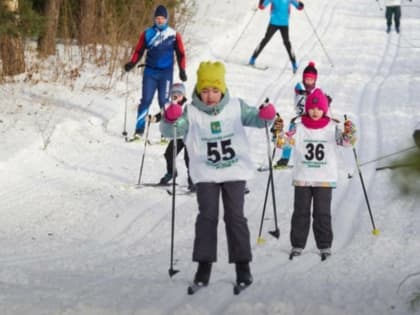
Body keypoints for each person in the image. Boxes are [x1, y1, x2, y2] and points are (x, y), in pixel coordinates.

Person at [160, 61, 276, 287]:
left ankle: (243, 266)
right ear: (198, 91)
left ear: (222, 89)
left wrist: (266, 115)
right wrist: (170, 118)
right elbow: (170, 131)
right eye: (205, 90)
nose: (210, 96)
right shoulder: (191, 112)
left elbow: (258, 119)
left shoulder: (235, 106)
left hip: (234, 171)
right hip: (206, 174)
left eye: (215, 90)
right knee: (207, 217)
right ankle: (204, 267)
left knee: (235, 217)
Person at [285, 88, 356, 261]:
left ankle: (324, 245)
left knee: (322, 213)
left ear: (324, 109)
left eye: (319, 108)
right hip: (303, 177)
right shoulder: (299, 125)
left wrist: (350, 131)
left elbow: (347, 143)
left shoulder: (332, 127)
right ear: (307, 108)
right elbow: (285, 141)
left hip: (324, 179)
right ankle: (297, 244)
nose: (315, 111)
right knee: (300, 212)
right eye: (312, 108)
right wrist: (279, 134)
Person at [124, 4, 187, 138]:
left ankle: (166, 132)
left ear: (167, 19)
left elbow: (181, 53)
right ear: (154, 19)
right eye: (157, 18)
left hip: (166, 74)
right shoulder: (147, 34)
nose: (160, 21)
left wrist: (182, 70)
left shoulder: (174, 34)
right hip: (150, 73)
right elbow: (139, 51)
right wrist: (132, 63)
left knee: (164, 102)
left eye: (162, 18)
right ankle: (139, 130)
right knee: (146, 100)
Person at [147, 82, 195, 190]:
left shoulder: (188, 106)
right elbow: (160, 115)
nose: (176, 95)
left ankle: (192, 180)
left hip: (188, 136)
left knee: (189, 158)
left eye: (179, 93)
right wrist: (152, 119)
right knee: (168, 155)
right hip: (176, 136)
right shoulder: (168, 105)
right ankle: (171, 173)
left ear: (183, 95)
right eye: (174, 93)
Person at [249, 0, 304, 73]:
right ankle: (252, 59)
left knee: (287, 43)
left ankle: (294, 64)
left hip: (284, 24)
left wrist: (300, 4)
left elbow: (299, 7)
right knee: (265, 40)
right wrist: (261, 2)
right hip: (273, 23)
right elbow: (262, 7)